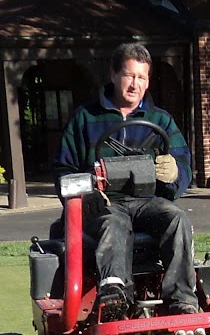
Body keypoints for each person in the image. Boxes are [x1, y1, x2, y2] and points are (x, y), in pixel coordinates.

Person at [54, 42, 197, 319]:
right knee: (113, 223)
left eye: (141, 77)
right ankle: (114, 293)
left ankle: (181, 299)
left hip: (148, 203)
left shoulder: (161, 121)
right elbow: (63, 169)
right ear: (114, 75)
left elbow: (184, 167)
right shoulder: (85, 119)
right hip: (104, 205)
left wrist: (176, 172)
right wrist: (86, 194)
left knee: (176, 218)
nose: (135, 84)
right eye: (129, 75)